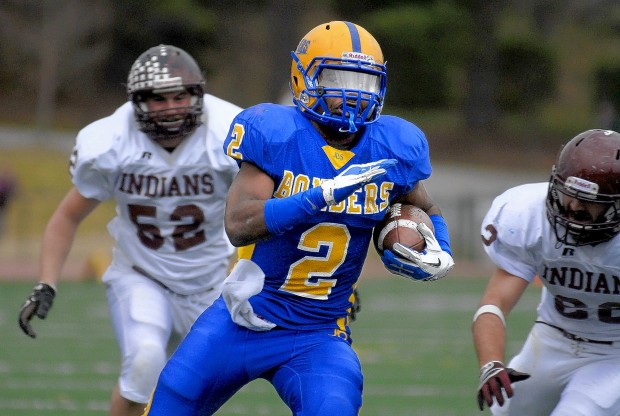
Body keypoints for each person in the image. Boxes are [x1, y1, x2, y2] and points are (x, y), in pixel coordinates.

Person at [143, 21, 454, 415]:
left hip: (319, 332)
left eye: (364, 82)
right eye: (337, 78)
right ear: (302, 76)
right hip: (245, 318)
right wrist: (318, 197)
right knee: (173, 398)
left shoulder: (392, 146)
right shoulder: (278, 134)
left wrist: (440, 249)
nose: (351, 95)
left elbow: (425, 208)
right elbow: (238, 224)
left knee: (334, 407)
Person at [17, 45, 243, 416]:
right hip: (142, 277)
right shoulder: (112, 142)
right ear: (137, 101)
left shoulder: (227, 133)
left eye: (180, 95)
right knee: (144, 361)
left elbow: (271, 210)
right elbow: (67, 217)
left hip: (210, 282)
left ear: (197, 95)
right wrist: (46, 282)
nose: (171, 107)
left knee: (203, 387)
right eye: (157, 98)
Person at [473, 128, 620, 415]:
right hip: (554, 338)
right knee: (507, 409)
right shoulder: (529, 217)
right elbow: (494, 304)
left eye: (589, 201)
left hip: (615, 354)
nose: (573, 207)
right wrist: (490, 363)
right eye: (569, 194)